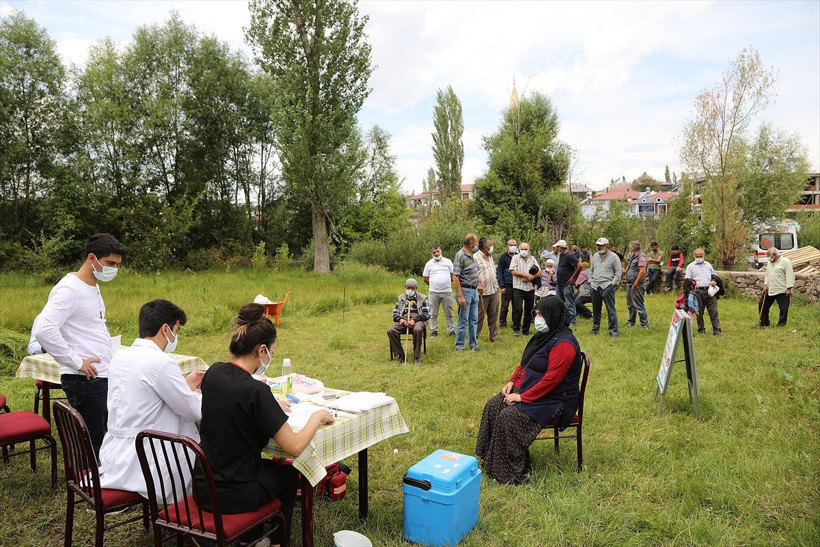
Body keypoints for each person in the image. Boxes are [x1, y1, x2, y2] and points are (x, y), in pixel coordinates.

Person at [195, 303, 335, 546]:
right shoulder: (256, 391)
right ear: (261, 350)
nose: (272, 355)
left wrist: (270, 406)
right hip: (235, 494)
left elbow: (232, 407)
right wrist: (316, 416)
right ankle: (275, 540)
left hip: (203, 486)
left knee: (269, 467)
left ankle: (253, 535)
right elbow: (294, 447)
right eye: (272, 350)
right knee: (290, 473)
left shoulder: (214, 373)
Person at [98, 299, 203, 499]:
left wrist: (184, 386)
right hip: (148, 458)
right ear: (166, 329)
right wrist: (205, 395)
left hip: (115, 454)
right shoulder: (161, 361)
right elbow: (192, 410)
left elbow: (145, 394)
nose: (176, 336)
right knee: (198, 440)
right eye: (177, 330)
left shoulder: (120, 355)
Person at [33, 233, 126, 457]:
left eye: (117, 265)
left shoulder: (91, 285)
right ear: (92, 258)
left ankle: (98, 482)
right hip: (84, 379)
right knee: (89, 445)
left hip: (100, 375)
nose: (114, 269)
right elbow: (44, 329)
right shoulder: (69, 289)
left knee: (101, 438)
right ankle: (87, 487)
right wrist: (77, 362)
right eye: (110, 263)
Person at [475, 296, 583, 485]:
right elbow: (526, 363)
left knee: (509, 417)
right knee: (494, 405)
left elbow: (551, 380)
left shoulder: (564, 344)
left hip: (556, 400)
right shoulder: (545, 336)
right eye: (537, 314)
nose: (537, 318)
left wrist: (523, 397)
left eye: (541, 314)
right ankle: (490, 461)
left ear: (553, 315)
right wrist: (512, 382)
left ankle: (514, 473)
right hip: (534, 389)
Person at [387, 278, 430, 365]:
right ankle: (401, 355)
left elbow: (427, 314)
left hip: (418, 319)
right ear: (405, 287)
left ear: (416, 288)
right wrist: (400, 319)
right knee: (391, 330)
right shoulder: (401, 298)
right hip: (404, 318)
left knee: (417, 330)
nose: (410, 290)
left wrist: (414, 320)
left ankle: (416, 357)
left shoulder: (423, 298)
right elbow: (395, 313)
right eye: (408, 287)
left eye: (412, 288)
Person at [589, 237, 622, 338]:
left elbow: (618, 272)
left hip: (607, 285)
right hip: (595, 285)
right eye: (598, 246)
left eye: (601, 246)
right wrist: (590, 281)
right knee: (596, 309)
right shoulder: (595, 256)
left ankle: (613, 332)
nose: (599, 247)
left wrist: (612, 285)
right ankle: (595, 328)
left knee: (610, 310)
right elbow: (591, 270)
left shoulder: (614, 257)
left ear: (606, 246)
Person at [453, 234, 481, 351]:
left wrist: (478, 284)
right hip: (465, 291)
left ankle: (473, 345)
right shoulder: (460, 255)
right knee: (463, 320)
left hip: (474, 291)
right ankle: (459, 346)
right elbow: (455, 276)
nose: (477, 245)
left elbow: (473, 272)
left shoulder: (471, 255)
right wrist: (460, 296)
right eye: (476, 242)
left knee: (474, 320)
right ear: (471, 243)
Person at [684, 248, 722, 336]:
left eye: (701, 256)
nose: (699, 258)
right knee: (699, 312)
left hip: (709, 290)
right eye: (697, 256)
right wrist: (692, 286)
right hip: (697, 292)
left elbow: (715, 276)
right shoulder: (690, 266)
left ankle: (717, 331)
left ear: (704, 255)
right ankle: (701, 330)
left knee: (714, 312)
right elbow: (687, 281)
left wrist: (714, 281)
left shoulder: (708, 265)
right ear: (694, 256)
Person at [422, 245, 454, 337]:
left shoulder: (448, 262)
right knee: (433, 313)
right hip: (433, 292)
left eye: (437, 251)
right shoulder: (429, 264)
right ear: (431, 253)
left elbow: (453, 275)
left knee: (449, 312)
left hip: (447, 291)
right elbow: (425, 278)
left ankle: (451, 331)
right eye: (434, 252)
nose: (436, 254)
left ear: (441, 251)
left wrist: (445, 282)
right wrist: (433, 284)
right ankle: (434, 330)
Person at [509, 242, 540, 336]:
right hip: (519, 287)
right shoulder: (515, 258)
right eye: (522, 249)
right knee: (518, 308)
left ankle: (526, 329)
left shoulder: (532, 259)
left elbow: (539, 271)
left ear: (529, 250)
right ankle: (516, 329)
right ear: (519, 249)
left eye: (526, 249)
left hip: (530, 288)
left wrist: (532, 277)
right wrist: (524, 275)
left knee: (529, 309)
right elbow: (513, 271)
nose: (524, 251)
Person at [760, 247, 794, 327]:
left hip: (782, 289)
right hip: (770, 288)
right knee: (762, 304)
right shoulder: (770, 263)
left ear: (774, 255)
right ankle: (764, 323)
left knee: (783, 308)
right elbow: (767, 274)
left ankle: (781, 324)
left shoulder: (785, 261)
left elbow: (790, 275)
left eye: (768, 255)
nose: (768, 257)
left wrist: (789, 288)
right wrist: (765, 284)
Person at [475, 237, 500, 343]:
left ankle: (493, 336)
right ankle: (474, 337)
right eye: (490, 244)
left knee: (494, 314)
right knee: (479, 316)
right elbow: (471, 274)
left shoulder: (490, 257)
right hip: (482, 292)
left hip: (493, 289)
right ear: (485, 247)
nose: (492, 246)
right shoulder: (475, 257)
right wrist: (477, 284)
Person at [554, 239, 582, 324]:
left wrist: (573, 277)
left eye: (557, 247)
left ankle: (572, 320)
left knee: (569, 302)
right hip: (560, 283)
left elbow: (579, 265)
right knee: (560, 302)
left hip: (567, 284)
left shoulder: (569, 255)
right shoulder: (561, 255)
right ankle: (562, 319)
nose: (556, 248)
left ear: (561, 247)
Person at [625, 241, 649, 329]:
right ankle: (631, 322)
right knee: (630, 304)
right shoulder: (632, 256)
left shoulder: (641, 257)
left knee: (638, 304)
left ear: (633, 248)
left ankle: (644, 324)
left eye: (630, 247)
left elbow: (642, 272)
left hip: (637, 284)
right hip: (630, 283)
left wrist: (636, 283)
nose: (629, 248)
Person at [496, 239, 518, 329]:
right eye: (511, 245)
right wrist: (502, 285)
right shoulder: (503, 257)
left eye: (514, 245)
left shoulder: (518, 256)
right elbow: (500, 272)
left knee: (516, 306)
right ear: (507, 246)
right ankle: (502, 323)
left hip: (517, 285)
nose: (513, 246)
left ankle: (515, 323)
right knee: (504, 305)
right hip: (507, 284)